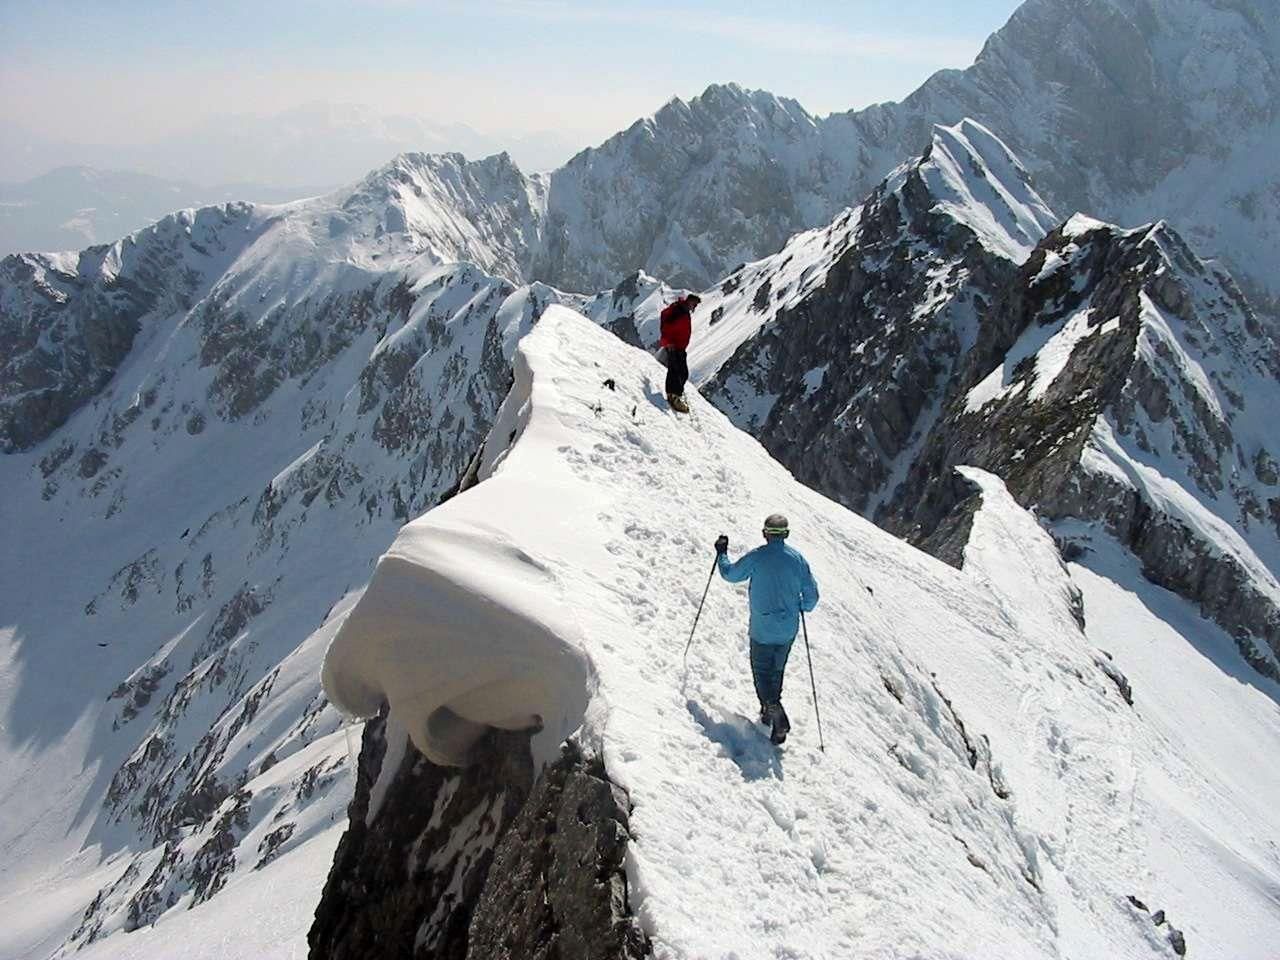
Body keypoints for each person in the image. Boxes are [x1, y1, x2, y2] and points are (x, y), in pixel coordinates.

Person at [715, 514, 819, 744]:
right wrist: (800, 607)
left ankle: (775, 712)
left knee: (761, 672)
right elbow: (812, 597)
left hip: (762, 628)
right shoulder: (797, 560)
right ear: (786, 534)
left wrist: (721, 553)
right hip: (788, 628)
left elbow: (730, 574)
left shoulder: (757, 557)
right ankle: (768, 712)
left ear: (765, 534)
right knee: (777, 670)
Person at [658, 294, 700, 413]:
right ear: (689, 301)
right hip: (673, 346)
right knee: (676, 371)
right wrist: (668, 343)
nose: (694, 307)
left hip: (679, 346)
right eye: (694, 304)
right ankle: (673, 396)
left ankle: (675, 395)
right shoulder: (678, 311)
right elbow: (666, 327)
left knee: (681, 372)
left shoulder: (683, 310)